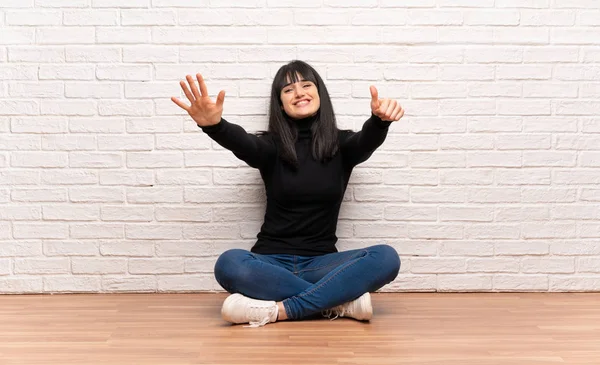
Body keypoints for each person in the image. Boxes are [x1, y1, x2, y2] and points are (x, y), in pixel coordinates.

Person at [171, 60, 404, 328]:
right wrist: (215, 126)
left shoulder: (342, 145)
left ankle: (283, 309)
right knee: (229, 263)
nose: (299, 93)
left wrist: (379, 122)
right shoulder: (269, 147)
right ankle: (337, 302)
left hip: (322, 265)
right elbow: (243, 143)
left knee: (386, 257)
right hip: (270, 264)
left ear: (319, 94)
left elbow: (366, 141)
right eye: (288, 89)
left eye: (306, 85)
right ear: (280, 103)